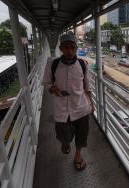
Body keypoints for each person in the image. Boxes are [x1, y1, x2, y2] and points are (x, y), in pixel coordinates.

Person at [43, 32, 94, 171]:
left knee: (82, 136)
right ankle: (65, 143)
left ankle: (78, 156)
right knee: (63, 136)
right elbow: (46, 82)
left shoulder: (82, 64)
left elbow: (87, 86)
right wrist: (53, 89)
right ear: (60, 48)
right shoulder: (53, 65)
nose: (69, 51)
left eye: (72, 47)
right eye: (66, 47)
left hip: (81, 107)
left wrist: (92, 103)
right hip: (62, 110)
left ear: (76, 48)